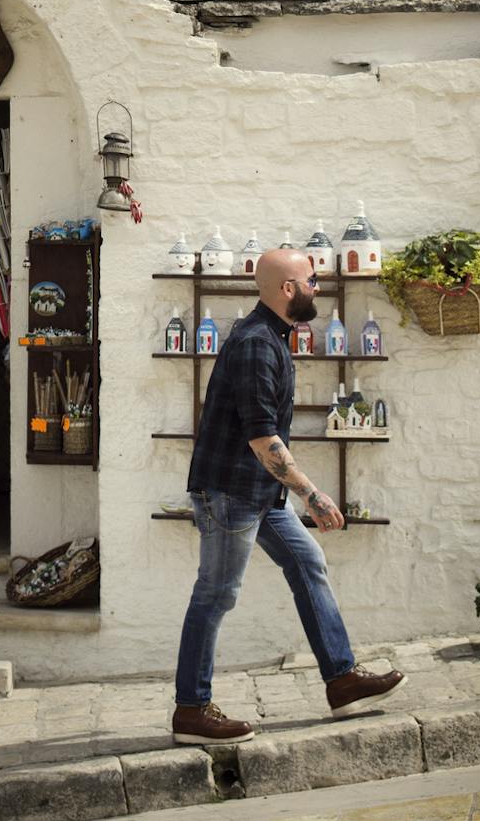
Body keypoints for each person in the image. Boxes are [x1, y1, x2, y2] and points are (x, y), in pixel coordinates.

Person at [171, 247, 404, 744]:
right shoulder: (257, 343)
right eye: (311, 281)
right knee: (215, 595)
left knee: (307, 563)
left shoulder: (271, 337)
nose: (317, 288)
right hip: (232, 492)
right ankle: (191, 710)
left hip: (258, 492)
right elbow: (262, 437)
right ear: (287, 289)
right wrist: (312, 494)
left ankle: (342, 681)